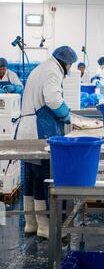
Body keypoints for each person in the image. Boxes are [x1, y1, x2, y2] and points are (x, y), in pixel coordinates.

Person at [17, 46, 77, 239]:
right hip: (40, 130)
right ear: (66, 63)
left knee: (31, 177)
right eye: (70, 65)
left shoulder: (42, 67)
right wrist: (67, 115)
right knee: (45, 177)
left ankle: (31, 223)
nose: (70, 68)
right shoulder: (52, 71)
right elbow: (52, 99)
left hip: (27, 130)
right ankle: (45, 227)